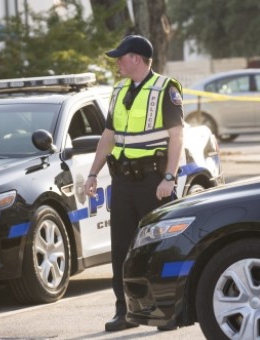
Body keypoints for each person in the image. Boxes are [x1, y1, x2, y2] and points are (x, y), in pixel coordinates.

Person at [84, 35, 184, 332]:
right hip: (123, 182)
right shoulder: (118, 90)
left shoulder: (166, 89)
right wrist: (92, 173)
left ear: (137, 58)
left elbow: (177, 136)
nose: (117, 62)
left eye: (121, 57)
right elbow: (108, 135)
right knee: (121, 250)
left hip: (154, 181)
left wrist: (169, 177)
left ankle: (166, 312)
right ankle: (125, 312)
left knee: (158, 247)